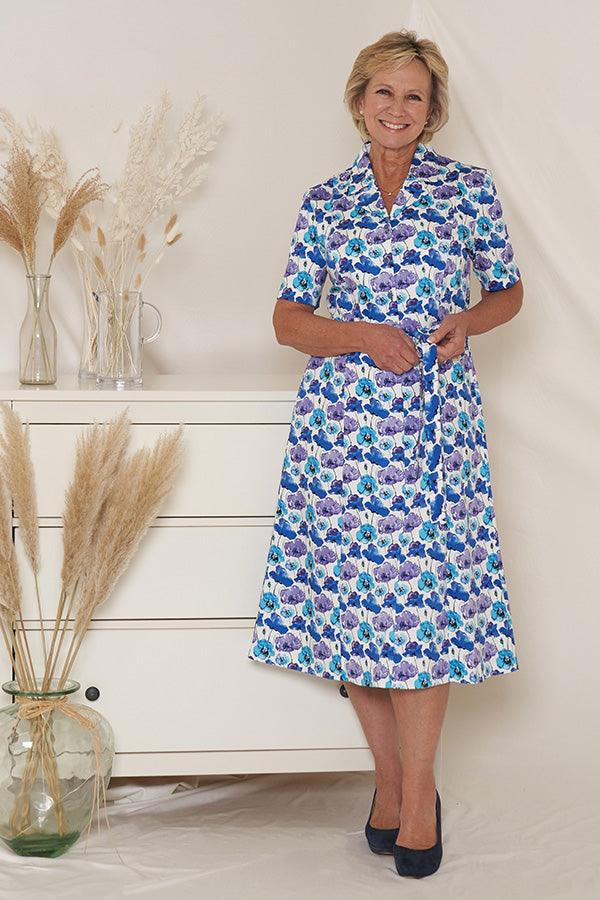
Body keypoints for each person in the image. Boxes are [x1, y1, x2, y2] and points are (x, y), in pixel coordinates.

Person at [247, 28, 523, 879]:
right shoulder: (326, 202)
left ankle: (421, 792)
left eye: (413, 96)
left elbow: (509, 292)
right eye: (383, 93)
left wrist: (467, 320)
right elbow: (288, 321)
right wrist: (363, 334)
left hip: (435, 431)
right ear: (359, 100)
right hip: (342, 434)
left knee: (423, 619)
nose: (397, 109)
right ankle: (392, 784)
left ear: (431, 110)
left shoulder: (466, 191)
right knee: (353, 611)